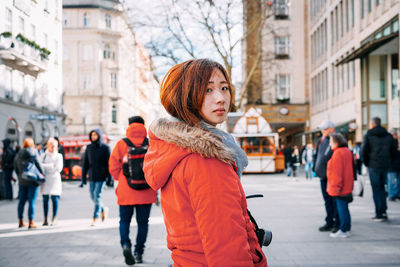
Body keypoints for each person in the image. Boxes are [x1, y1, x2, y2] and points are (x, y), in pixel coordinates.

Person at [143, 59, 268, 267]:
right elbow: (228, 251)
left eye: (224, 88)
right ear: (185, 96)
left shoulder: (175, 149)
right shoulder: (207, 159)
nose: (220, 98)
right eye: (207, 90)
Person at [109, 116, 157, 265]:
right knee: (143, 223)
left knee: (124, 221)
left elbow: (112, 166)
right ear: (143, 126)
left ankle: (126, 245)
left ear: (129, 126)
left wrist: (123, 178)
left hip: (126, 191)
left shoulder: (122, 144)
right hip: (146, 191)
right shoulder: (151, 143)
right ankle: (138, 252)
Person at [361, 117, 397, 221]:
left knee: (376, 189)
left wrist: (367, 163)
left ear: (372, 124)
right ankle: (383, 211)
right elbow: (394, 152)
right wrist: (390, 162)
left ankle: (379, 213)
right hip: (385, 166)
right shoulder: (389, 136)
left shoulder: (369, 135)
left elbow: (364, 151)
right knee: (382, 188)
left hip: (374, 166)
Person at [313, 119, 339, 232]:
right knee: (327, 201)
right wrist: (316, 168)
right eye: (322, 129)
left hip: (332, 176)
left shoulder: (336, 140)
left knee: (334, 201)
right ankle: (329, 221)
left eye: (325, 129)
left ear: (331, 129)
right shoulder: (321, 140)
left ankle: (337, 223)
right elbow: (318, 155)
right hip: (323, 176)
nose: (322, 131)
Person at [327, 133, 354, 238]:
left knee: (342, 209)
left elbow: (337, 173)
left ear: (336, 142)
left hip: (340, 188)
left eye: (331, 142)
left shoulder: (338, 153)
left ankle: (343, 229)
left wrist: (336, 187)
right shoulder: (347, 151)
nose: (329, 144)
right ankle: (347, 229)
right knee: (345, 208)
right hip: (347, 186)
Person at [81, 129, 111, 226]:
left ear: (99, 136)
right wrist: (83, 178)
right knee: (92, 196)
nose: (94, 137)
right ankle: (103, 209)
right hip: (92, 176)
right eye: (92, 135)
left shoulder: (105, 147)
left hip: (102, 176)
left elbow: (109, 164)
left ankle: (95, 217)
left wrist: (110, 178)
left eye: (95, 135)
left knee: (97, 196)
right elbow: (85, 163)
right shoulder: (89, 147)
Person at [14, 138, 44, 228]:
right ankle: (31, 222)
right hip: (33, 181)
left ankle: (20, 221)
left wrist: (20, 176)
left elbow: (15, 166)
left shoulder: (19, 153)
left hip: (22, 181)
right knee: (32, 202)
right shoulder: (34, 152)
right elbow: (38, 164)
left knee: (21, 202)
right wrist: (42, 175)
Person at [40, 138, 63, 226]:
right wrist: (51, 166)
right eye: (51, 145)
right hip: (45, 180)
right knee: (45, 199)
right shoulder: (43, 155)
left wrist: (47, 167)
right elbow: (40, 166)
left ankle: (54, 217)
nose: (53, 147)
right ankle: (45, 218)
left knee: (54, 199)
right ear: (48, 146)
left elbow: (59, 168)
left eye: (54, 146)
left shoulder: (59, 156)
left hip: (55, 180)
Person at [387, 129, 400, 201]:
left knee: (397, 181)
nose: (396, 135)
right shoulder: (390, 142)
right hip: (392, 165)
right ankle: (391, 195)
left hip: (396, 164)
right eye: (395, 134)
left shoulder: (396, 142)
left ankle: (396, 194)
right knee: (391, 181)